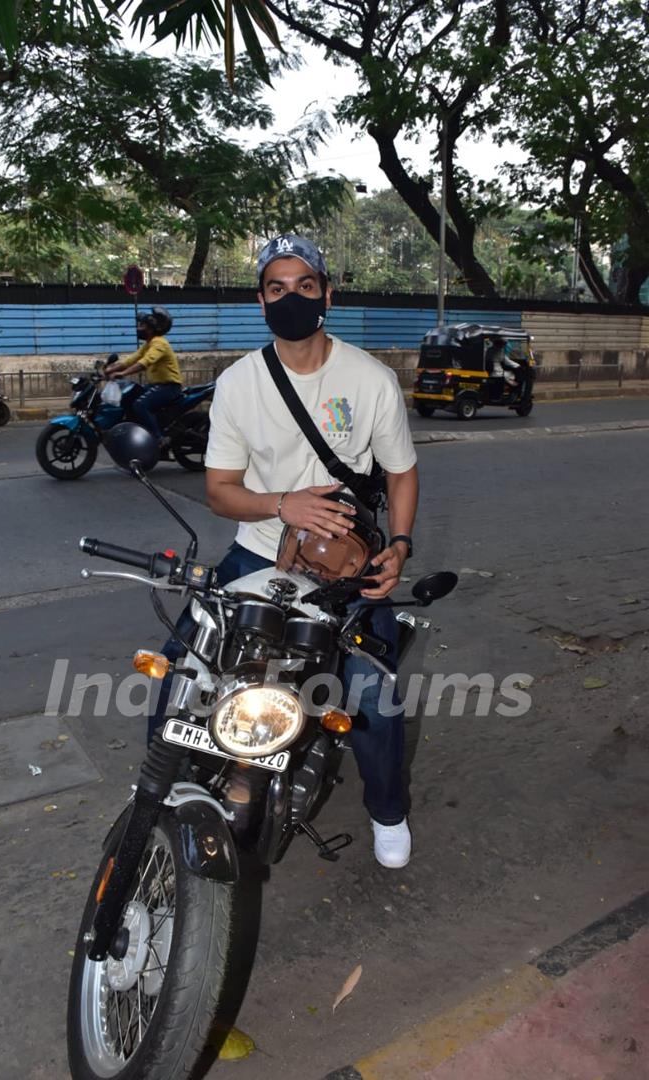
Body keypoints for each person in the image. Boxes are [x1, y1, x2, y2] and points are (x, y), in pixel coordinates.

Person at [148, 234, 419, 869]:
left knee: (373, 697)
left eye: (304, 285)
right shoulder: (240, 383)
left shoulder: (371, 380)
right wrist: (281, 505)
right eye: (277, 288)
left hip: (340, 565)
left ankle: (388, 811)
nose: (291, 297)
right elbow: (219, 492)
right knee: (175, 674)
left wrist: (400, 547)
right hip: (257, 553)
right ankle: (158, 794)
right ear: (261, 299)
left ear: (328, 292)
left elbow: (401, 472)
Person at [105, 307, 182, 440]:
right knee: (130, 395)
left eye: (142, 326)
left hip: (169, 387)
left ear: (151, 329)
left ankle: (158, 439)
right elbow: (131, 359)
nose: (139, 328)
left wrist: (123, 373)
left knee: (140, 404)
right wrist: (111, 369)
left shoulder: (159, 343)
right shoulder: (148, 344)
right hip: (156, 386)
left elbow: (144, 362)